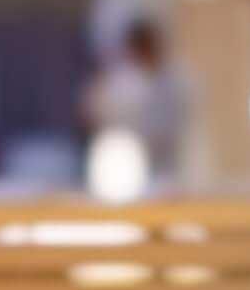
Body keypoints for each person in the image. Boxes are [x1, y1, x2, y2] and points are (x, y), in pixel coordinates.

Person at [81, 17, 189, 188]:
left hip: (165, 168)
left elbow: (175, 123)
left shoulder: (176, 82)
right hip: (125, 166)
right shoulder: (119, 83)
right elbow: (93, 114)